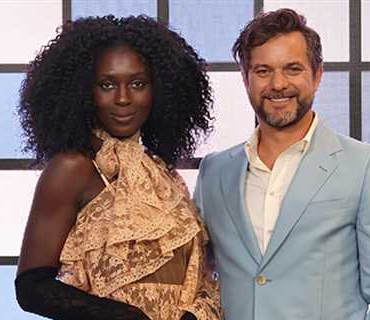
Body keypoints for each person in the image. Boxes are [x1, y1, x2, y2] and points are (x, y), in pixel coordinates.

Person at [194, 8, 370, 320]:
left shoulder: (366, 166)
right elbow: (196, 280)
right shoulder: (214, 172)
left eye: (293, 69)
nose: (278, 84)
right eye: (262, 71)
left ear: (317, 75)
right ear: (245, 79)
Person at [14, 15, 221, 320]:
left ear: (159, 90)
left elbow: (193, 276)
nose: (123, 99)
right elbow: (32, 288)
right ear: (84, 91)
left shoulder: (164, 174)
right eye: (107, 84)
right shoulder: (73, 168)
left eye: (138, 83)